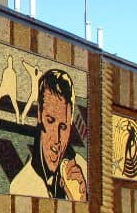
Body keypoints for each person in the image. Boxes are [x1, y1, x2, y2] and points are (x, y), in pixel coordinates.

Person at [9, 69, 87, 200]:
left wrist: (83, 200)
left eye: (63, 127)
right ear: (39, 114)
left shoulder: (84, 172)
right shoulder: (20, 186)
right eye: (50, 121)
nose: (56, 138)